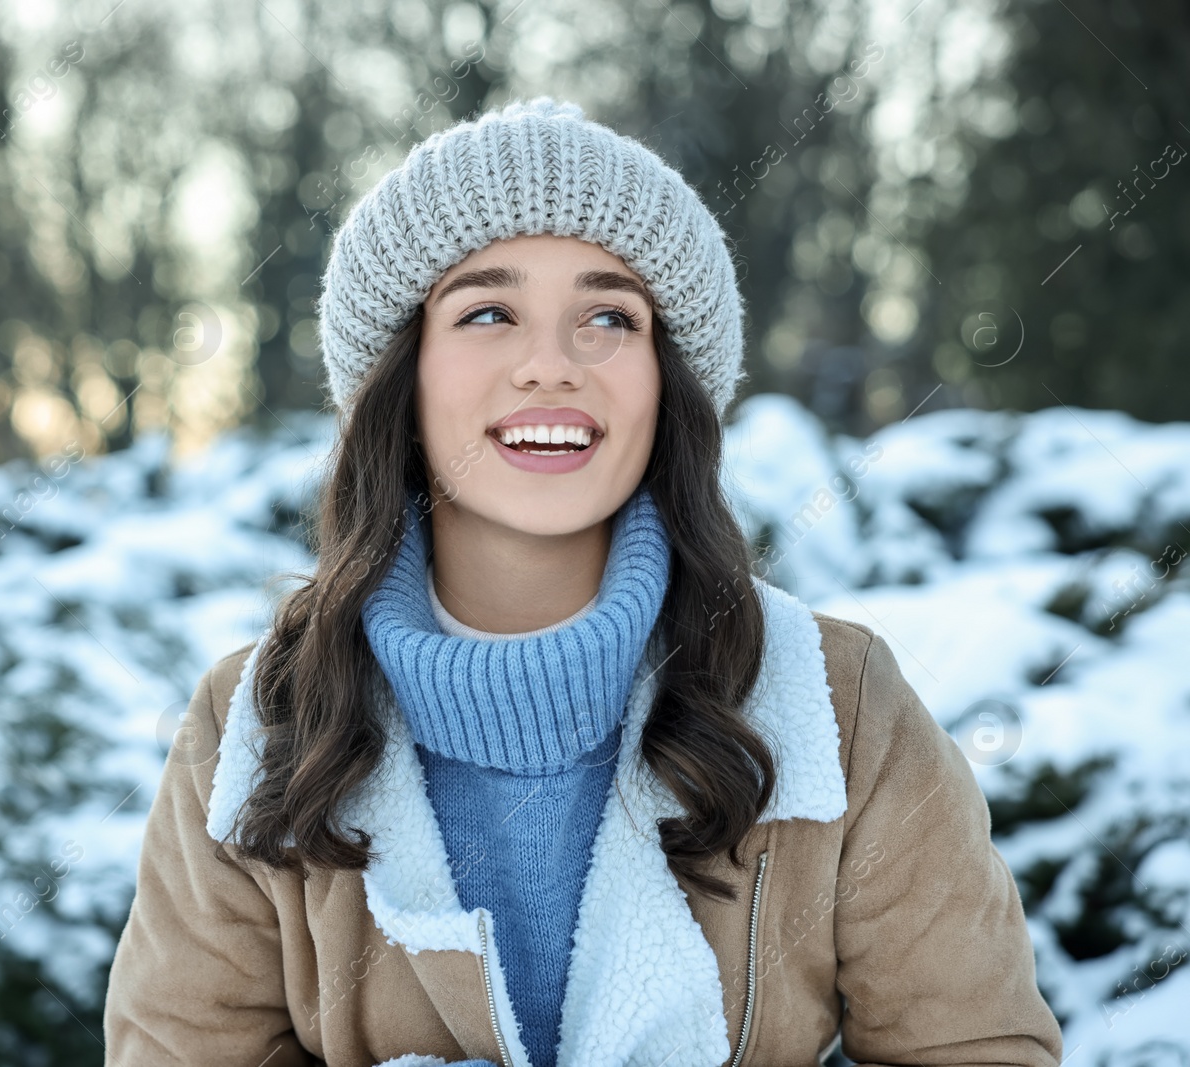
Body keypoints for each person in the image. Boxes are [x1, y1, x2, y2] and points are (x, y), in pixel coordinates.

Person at [101, 97, 1063, 1067]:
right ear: (405, 371)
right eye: (486, 311)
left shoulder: (838, 702)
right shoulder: (255, 718)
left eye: (608, 315)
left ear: (664, 378)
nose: (549, 365)